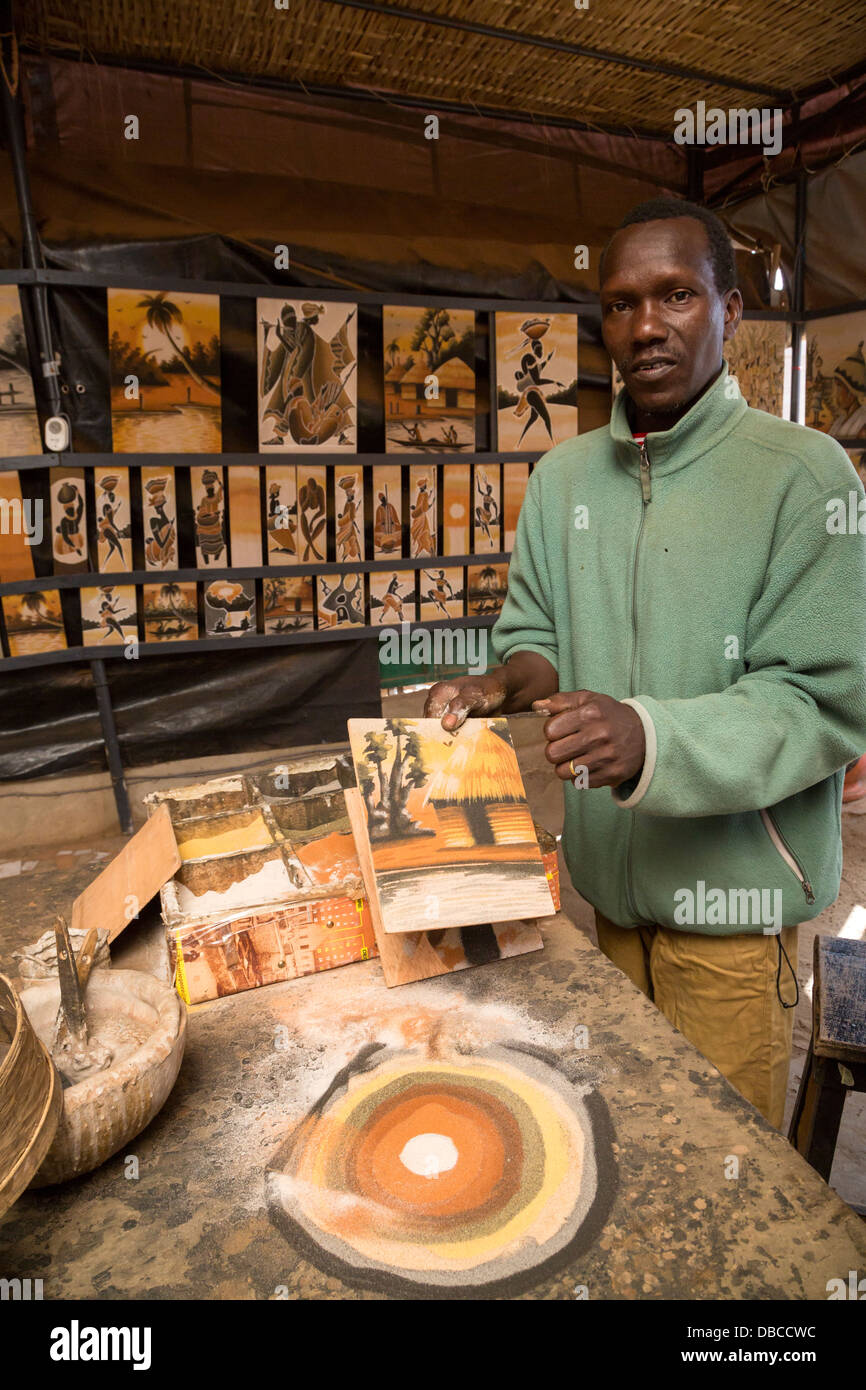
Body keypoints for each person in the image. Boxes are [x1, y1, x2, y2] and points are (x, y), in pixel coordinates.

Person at [425, 197, 866, 1129]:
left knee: (718, 1167)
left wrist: (651, 735)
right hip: (607, 900)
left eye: (677, 295)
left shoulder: (804, 476)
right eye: (622, 304)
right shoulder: (564, 479)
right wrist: (502, 682)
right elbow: (538, 636)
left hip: (733, 917)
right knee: (621, 1141)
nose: (647, 326)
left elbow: (822, 700)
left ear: (732, 311)